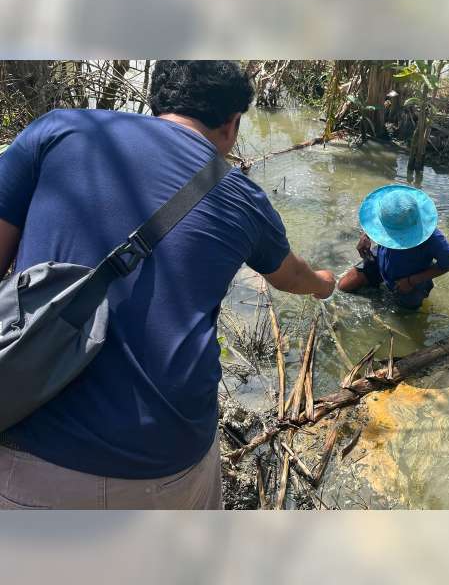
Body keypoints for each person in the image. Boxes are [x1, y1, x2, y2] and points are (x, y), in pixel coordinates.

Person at [0, 61, 335, 509]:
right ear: (232, 124)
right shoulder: (243, 197)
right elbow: (291, 276)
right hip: (167, 454)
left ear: (157, 101)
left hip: (26, 438)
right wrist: (324, 284)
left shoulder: (58, 130)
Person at [338, 184, 449, 309]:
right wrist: (366, 235)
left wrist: (411, 281)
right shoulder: (387, 212)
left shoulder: (431, 237)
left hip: (409, 280)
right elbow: (374, 219)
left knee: (402, 314)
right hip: (381, 258)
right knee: (343, 287)